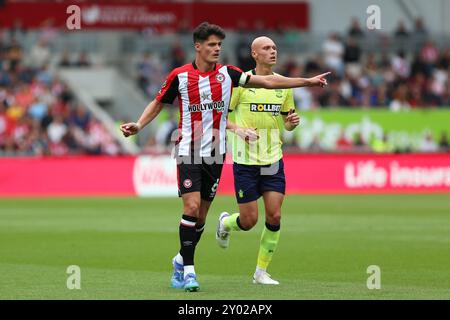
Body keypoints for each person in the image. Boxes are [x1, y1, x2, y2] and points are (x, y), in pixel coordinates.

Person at [120, 22, 330, 292]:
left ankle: (179, 260)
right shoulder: (180, 76)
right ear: (198, 47)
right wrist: (139, 125)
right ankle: (189, 272)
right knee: (191, 208)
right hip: (188, 150)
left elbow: (268, 80)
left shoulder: (229, 74)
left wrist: (308, 81)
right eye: (211, 45)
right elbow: (159, 101)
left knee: (202, 218)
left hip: (217, 153)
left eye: (219, 45)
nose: (217, 49)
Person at [218, 36, 300, 285]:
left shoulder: (283, 86)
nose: (272, 51)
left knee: (274, 216)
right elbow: (221, 117)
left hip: (273, 158)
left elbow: (287, 121)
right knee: (249, 221)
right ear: (254, 53)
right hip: (245, 160)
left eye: (274, 47)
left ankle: (260, 272)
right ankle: (225, 222)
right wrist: (239, 130)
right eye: (266, 48)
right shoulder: (241, 84)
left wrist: (291, 123)